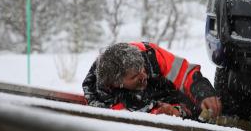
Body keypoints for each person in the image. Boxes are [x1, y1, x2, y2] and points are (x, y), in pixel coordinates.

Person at [82, 42, 222, 120]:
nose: (144, 76)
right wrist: (172, 113)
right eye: (135, 76)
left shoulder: (149, 53)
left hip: (172, 96)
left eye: (143, 68)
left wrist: (203, 93)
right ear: (116, 83)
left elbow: (185, 73)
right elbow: (138, 120)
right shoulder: (101, 101)